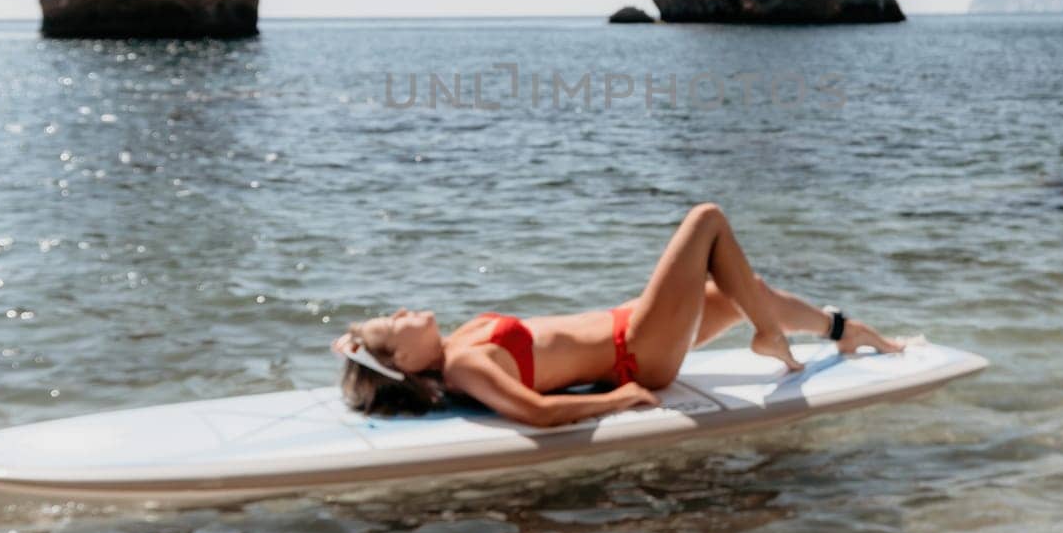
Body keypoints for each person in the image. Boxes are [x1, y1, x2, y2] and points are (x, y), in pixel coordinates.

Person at [332, 202, 904, 426]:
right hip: (637, 352)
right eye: (394, 323)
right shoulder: (464, 367)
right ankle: (770, 335)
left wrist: (359, 345)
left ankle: (843, 331)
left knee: (740, 285)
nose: (404, 311)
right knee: (707, 220)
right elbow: (535, 413)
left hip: (631, 325)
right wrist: (619, 400)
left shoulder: (457, 342)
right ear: (406, 361)